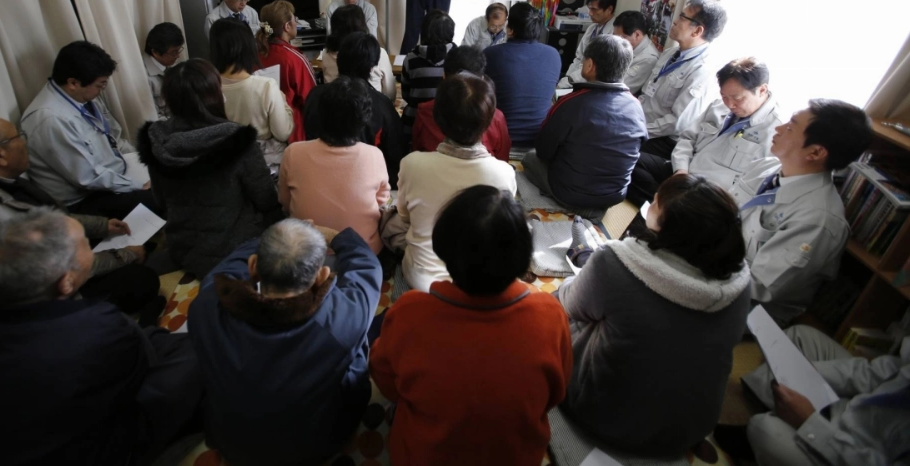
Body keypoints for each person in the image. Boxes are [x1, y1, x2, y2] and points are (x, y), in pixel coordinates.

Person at [0, 210, 202, 466]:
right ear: (66, 282)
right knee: (194, 356)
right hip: (70, 454)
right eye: (86, 246)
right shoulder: (97, 327)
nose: (91, 248)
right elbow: (140, 373)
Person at [371, 186, 572, 466]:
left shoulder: (410, 311)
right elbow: (555, 393)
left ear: (445, 249)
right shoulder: (551, 314)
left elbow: (386, 381)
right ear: (523, 256)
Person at [558, 174, 751, 457]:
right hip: (690, 427)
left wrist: (584, 277)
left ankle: (581, 257)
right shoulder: (740, 283)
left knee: (553, 310)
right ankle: (584, 258)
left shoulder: (617, 262)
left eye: (656, 203)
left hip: (600, 414)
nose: (650, 205)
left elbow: (571, 305)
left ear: (669, 226)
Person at [0, 114, 159, 321]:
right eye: (20, 137)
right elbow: (62, 269)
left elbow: (40, 217)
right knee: (141, 280)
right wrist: (124, 256)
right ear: (0, 154)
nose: (25, 143)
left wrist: (101, 226)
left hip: (29, 273)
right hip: (9, 314)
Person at [190, 219, 382, 466]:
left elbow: (227, 267)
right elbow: (367, 267)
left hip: (233, 444)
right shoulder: (344, 318)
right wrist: (336, 237)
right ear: (322, 276)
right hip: (317, 447)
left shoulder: (205, 305)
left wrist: (279, 240)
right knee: (359, 347)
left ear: (253, 265)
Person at [730, 99, 872, 325]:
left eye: (790, 127)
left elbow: (757, 287)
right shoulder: (767, 168)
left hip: (746, 308)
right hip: (716, 265)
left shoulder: (818, 219)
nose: (778, 128)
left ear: (815, 152)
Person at [137, 60, 282, 278]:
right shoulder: (237, 139)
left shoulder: (156, 139)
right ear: (214, 94)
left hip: (183, 246)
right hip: (235, 248)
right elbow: (265, 198)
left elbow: (161, 201)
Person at [398, 73, 517, 292]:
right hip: (479, 283)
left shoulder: (412, 164)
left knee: (390, 222)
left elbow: (405, 216)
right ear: (489, 120)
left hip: (422, 279)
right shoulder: (504, 173)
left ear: (439, 118)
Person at [733, 325, 910, 466]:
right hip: (852, 408)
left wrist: (809, 422)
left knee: (764, 430)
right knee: (800, 336)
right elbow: (873, 374)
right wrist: (810, 371)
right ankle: (762, 405)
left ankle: (765, 430)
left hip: (852, 452)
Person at [21, 40, 158, 218]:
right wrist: (138, 185)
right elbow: (87, 177)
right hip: (83, 200)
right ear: (73, 82)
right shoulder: (51, 120)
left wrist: (144, 158)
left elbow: (112, 137)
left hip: (114, 174)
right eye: (100, 84)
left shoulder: (81, 97)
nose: (102, 90)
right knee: (161, 198)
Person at [523, 35, 647, 221]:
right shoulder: (636, 106)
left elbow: (543, 150)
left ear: (589, 65)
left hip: (569, 192)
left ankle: (574, 207)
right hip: (614, 196)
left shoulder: (571, 102)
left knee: (529, 157)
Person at [628, 57, 782, 206]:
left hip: (708, 194)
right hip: (684, 172)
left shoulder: (776, 132)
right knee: (627, 161)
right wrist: (681, 170)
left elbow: (752, 186)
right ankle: (667, 207)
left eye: (737, 98)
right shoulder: (717, 107)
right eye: (724, 96)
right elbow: (687, 138)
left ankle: (667, 209)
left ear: (762, 90)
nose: (730, 104)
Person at [281, 77, 390, 253]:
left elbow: (286, 202)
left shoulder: (293, 152)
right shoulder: (374, 155)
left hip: (305, 253)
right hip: (362, 252)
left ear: (320, 114)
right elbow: (380, 203)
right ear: (363, 120)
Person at [305, 33, 405, 189]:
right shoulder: (381, 104)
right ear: (372, 67)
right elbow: (396, 156)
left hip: (316, 180)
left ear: (339, 59)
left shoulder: (314, 95)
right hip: (365, 185)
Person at [638, 0, 727, 160]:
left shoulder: (702, 70)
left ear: (697, 31)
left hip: (664, 140)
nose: (675, 21)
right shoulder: (670, 54)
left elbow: (677, 122)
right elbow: (647, 93)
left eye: (682, 17)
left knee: (609, 146)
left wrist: (638, 130)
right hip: (643, 124)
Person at [210, 17, 294, 167]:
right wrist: (284, 104)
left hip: (226, 164)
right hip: (264, 163)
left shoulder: (208, 86)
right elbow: (283, 132)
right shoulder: (266, 86)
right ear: (248, 46)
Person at [412, 45, 511, 161]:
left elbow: (416, 151)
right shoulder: (496, 117)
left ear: (444, 76)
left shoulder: (425, 111)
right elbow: (503, 158)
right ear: (482, 79)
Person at [484, 2, 561, 146]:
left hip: (500, 138)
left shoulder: (490, 54)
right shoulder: (553, 55)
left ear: (510, 30)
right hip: (540, 140)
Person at [257, 0, 317, 143]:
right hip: (291, 132)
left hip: (261, 130)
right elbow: (310, 98)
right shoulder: (294, 58)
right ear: (287, 26)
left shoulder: (255, 54)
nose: (297, 22)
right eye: (295, 19)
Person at [318, 3, 396, 100]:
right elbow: (390, 94)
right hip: (372, 108)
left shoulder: (326, 54)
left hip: (335, 108)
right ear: (361, 26)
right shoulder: (378, 53)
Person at [401, 9, 455, 141]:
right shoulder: (457, 56)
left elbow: (406, 95)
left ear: (424, 32)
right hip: (449, 128)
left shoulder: (411, 58)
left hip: (413, 124)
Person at [557, 0, 618, 87]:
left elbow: (594, 69)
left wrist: (568, 82)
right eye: (590, 9)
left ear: (609, 9)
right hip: (576, 79)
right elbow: (579, 58)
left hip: (594, 84)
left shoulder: (614, 35)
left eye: (594, 9)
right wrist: (567, 79)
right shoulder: (592, 28)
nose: (590, 13)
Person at [610, 10, 660, 95]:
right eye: (614, 36)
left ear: (637, 35)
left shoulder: (648, 59)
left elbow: (619, 89)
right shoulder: (628, 47)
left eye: (622, 37)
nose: (616, 41)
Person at [143, 21, 185, 118]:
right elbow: (153, 117)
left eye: (178, 51)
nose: (178, 56)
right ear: (155, 52)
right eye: (174, 52)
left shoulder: (172, 64)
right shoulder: (144, 76)